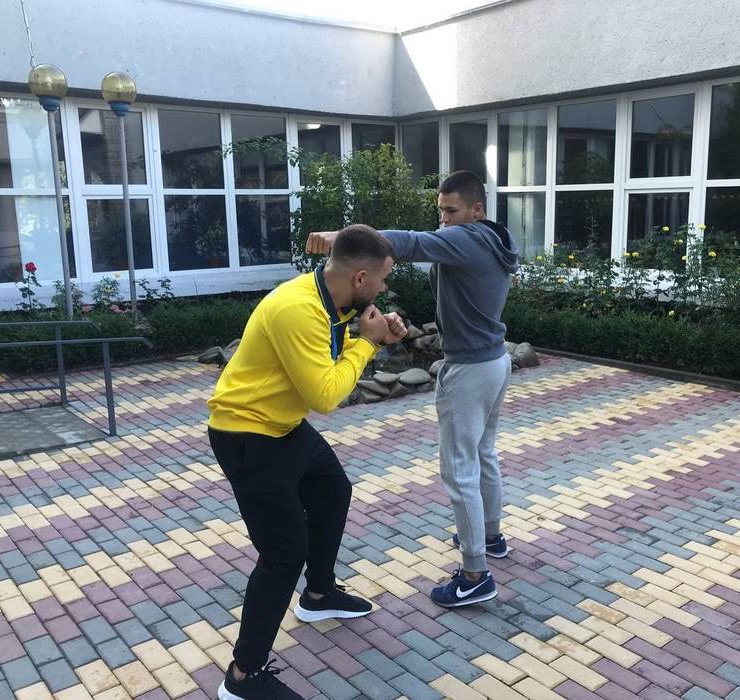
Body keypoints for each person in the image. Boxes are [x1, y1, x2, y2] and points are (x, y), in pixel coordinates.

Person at [208, 224, 407, 700]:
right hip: (247, 434)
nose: (384, 288)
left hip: (280, 426)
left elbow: (328, 356)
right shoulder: (299, 309)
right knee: (283, 552)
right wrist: (368, 343)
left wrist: (376, 333)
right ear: (360, 278)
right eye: (382, 279)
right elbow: (325, 395)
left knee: (332, 489)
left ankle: (318, 594)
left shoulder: (328, 298)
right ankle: (242, 677)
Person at [307, 170, 519, 608]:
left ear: (477, 210)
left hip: (470, 368)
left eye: (451, 210)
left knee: (459, 469)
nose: (444, 220)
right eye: (440, 211)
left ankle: (475, 574)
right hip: (493, 360)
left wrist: (346, 240)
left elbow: (411, 243)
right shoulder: (491, 239)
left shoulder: (468, 238)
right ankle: (490, 536)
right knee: (483, 454)